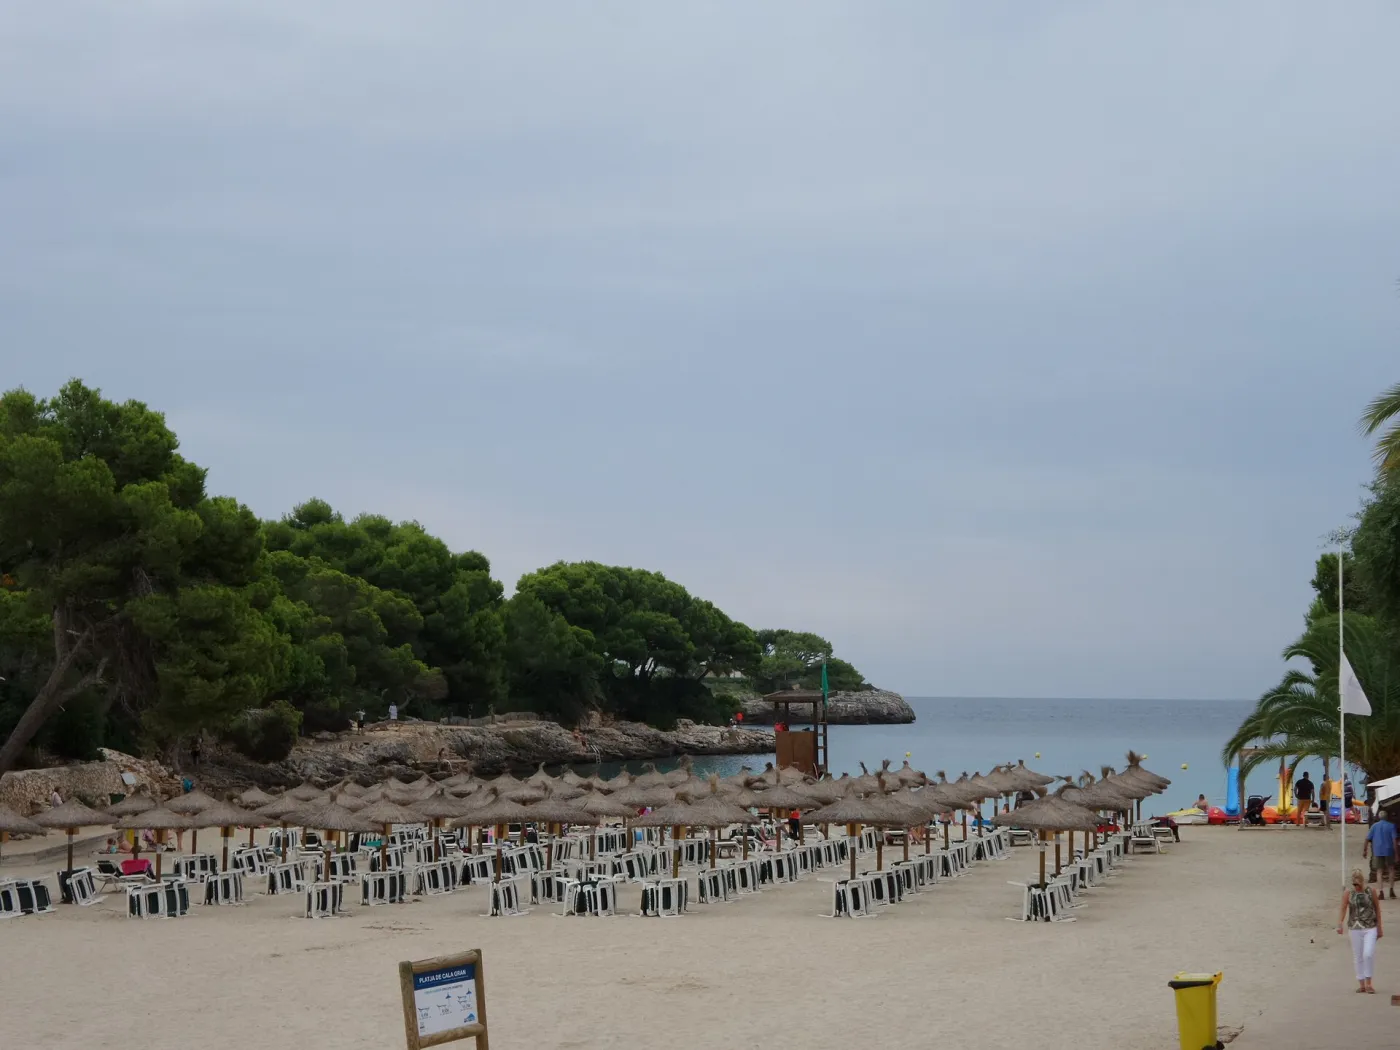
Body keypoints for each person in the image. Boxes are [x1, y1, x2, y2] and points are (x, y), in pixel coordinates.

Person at [1338, 867, 1382, 994]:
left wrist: (1380, 927)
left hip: (1370, 926)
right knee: (1358, 956)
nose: (1356, 887)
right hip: (1355, 927)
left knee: (1368, 953)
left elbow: (1377, 909)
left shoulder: (1371, 891)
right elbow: (1343, 908)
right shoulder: (1348, 893)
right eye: (1354, 884)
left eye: (1358, 884)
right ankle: (1361, 983)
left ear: (1362, 882)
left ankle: (1369, 982)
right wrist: (1340, 923)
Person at [1364, 810, 1397, 899]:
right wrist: (1397, 853)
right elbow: (1394, 840)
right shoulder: (1391, 826)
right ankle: (1391, 890)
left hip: (1378, 850)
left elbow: (1367, 838)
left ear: (1379, 817)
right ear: (1387, 817)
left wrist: (1365, 850)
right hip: (1389, 850)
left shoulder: (1374, 826)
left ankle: (1381, 892)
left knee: (1379, 871)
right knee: (1391, 869)